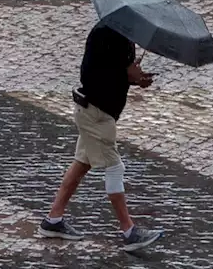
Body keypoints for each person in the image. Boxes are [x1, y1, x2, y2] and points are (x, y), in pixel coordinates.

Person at [37, 23, 164, 252]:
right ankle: (129, 231)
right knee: (115, 168)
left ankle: (52, 220)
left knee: (81, 164)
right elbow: (92, 75)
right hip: (95, 114)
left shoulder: (125, 36)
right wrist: (126, 73)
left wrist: (135, 79)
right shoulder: (104, 34)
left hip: (101, 114)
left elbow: (117, 73)